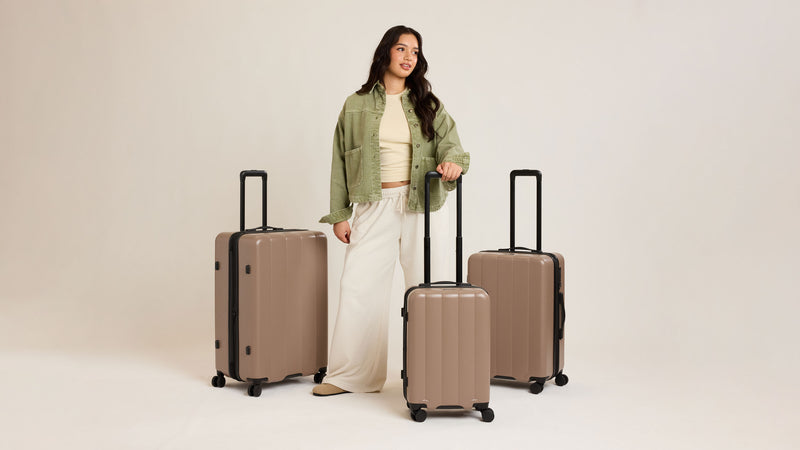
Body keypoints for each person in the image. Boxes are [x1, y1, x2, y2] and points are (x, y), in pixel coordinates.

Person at [314, 25, 470, 396]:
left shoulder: (428, 104)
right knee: (359, 287)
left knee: (429, 286)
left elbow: (452, 144)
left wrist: (453, 162)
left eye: (415, 51)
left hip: (423, 203)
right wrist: (340, 213)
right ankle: (351, 376)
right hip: (374, 203)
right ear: (386, 52)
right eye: (401, 49)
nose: (408, 57)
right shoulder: (356, 104)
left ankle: (437, 375)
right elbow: (340, 159)